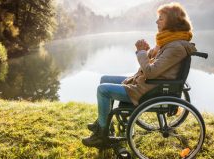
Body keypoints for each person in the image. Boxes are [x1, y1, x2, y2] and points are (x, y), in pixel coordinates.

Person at [82, 2, 197, 147]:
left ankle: (101, 135)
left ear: (172, 21)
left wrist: (141, 52)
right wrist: (148, 52)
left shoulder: (175, 47)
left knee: (103, 90)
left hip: (148, 90)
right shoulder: (169, 42)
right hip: (147, 84)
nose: (157, 21)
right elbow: (155, 65)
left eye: (160, 18)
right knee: (104, 78)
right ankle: (103, 123)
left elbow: (150, 72)